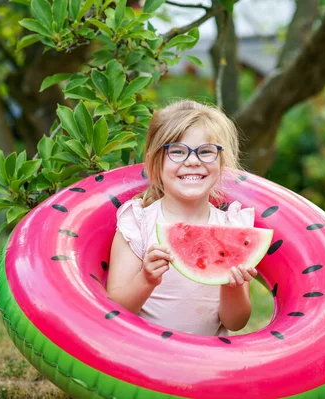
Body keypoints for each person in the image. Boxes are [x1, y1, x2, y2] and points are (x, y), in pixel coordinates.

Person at [107, 99, 257, 336]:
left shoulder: (233, 228)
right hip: (145, 358)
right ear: (156, 162)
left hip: (205, 363)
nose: (193, 161)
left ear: (221, 162)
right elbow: (115, 309)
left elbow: (234, 322)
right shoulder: (138, 223)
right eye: (177, 151)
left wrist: (233, 288)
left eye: (206, 152)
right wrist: (146, 280)